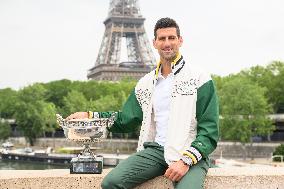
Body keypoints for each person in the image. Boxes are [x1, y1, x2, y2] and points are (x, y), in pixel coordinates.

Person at [66, 17, 219, 189]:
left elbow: (209, 130)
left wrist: (185, 161)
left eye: (171, 38)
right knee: (111, 183)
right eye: (162, 39)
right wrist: (90, 115)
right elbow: (126, 119)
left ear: (180, 40)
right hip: (156, 152)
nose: (167, 43)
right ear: (154, 43)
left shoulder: (200, 78)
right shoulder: (145, 83)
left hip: (189, 153)